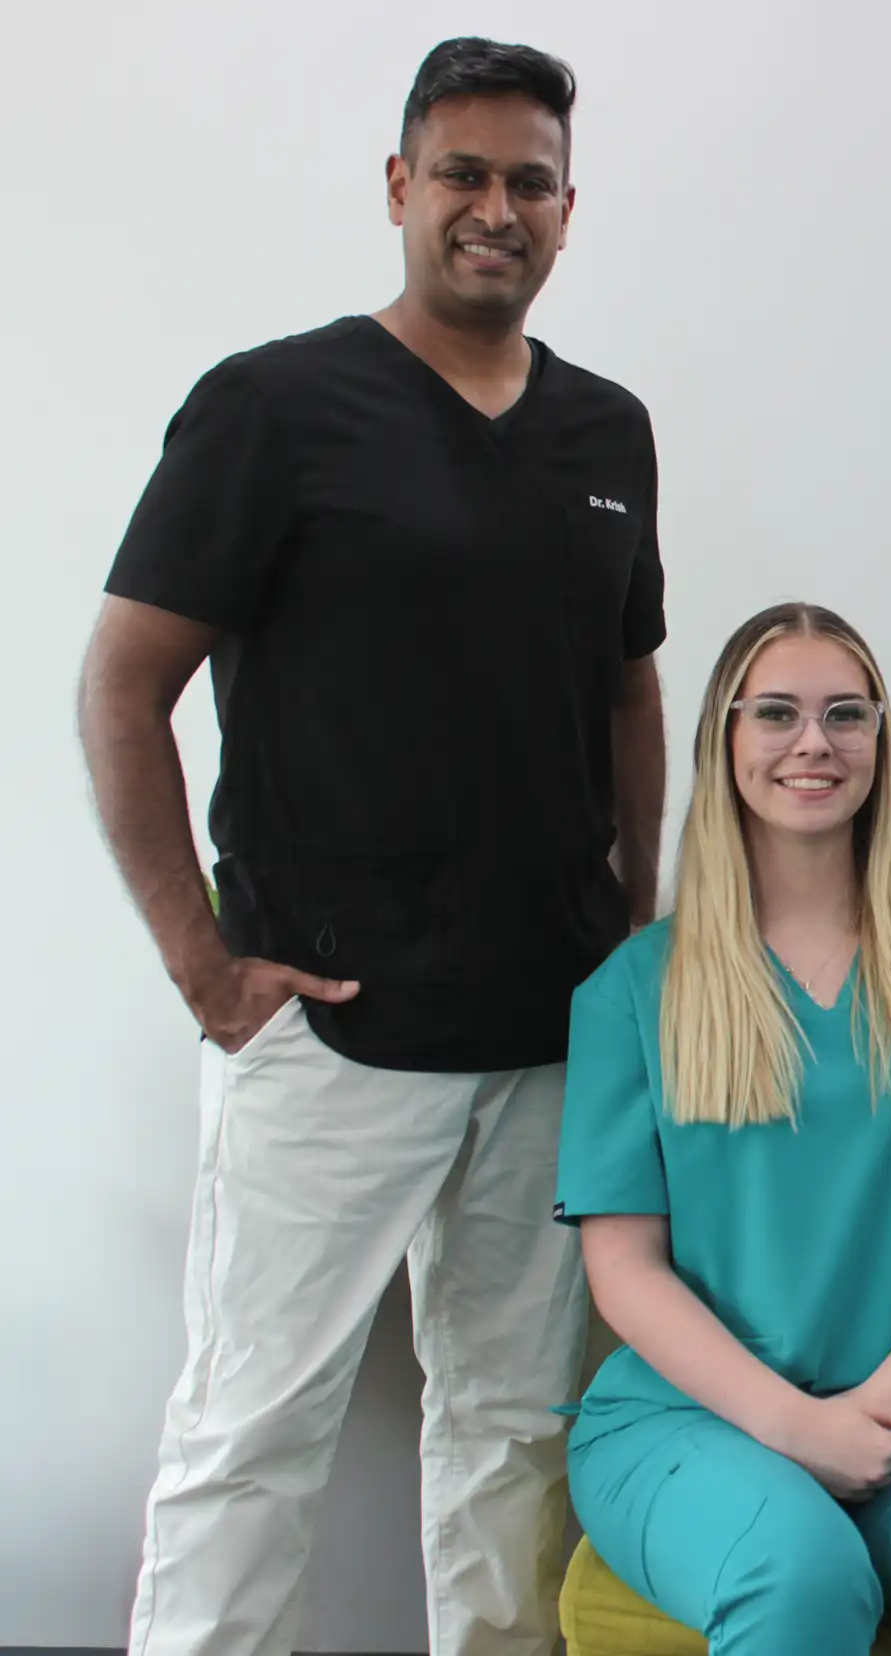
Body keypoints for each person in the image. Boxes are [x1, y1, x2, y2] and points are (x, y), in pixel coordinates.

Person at [79, 38, 666, 1656]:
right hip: (324, 1031)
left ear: (568, 210)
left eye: (531, 182)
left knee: (511, 1432)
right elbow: (123, 686)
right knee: (251, 1431)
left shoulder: (609, 432)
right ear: (401, 188)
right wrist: (198, 959)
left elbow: (628, 689)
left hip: (548, 1038)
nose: (497, 208)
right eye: (463, 174)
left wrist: (637, 925)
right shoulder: (273, 408)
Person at [555, 602, 891, 1655]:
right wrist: (797, 1427)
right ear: (724, 739)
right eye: (776, 713)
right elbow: (623, 1268)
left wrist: (884, 1402)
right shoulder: (632, 991)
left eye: (846, 714)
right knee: (799, 1575)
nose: (814, 742)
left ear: (881, 743)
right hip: (689, 1412)